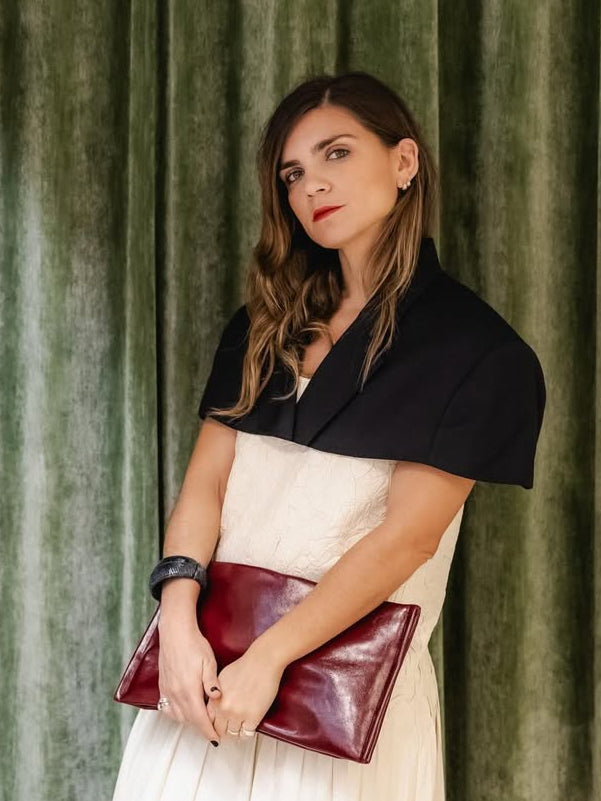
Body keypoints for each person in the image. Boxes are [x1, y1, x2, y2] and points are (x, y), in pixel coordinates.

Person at [111, 70, 546, 801]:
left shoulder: (475, 350)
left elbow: (406, 538)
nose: (312, 184)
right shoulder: (265, 324)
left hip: (338, 708)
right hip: (206, 679)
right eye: (293, 173)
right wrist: (177, 620)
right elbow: (206, 485)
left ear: (403, 162)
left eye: (336, 153)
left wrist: (270, 657)